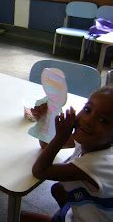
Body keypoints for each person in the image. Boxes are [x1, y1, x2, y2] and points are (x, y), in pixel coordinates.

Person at [21, 86, 113, 222]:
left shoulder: (96, 164)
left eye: (103, 121)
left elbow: (39, 171)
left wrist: (60, 137)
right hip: (88, 208)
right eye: (87, 110)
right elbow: (45, 145)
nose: (88, 120)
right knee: (58, 188)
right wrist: (46, 119)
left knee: (21, 217)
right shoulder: (93, 141)